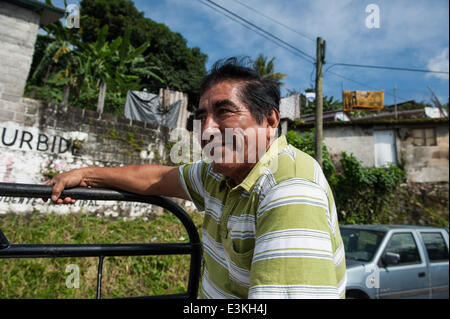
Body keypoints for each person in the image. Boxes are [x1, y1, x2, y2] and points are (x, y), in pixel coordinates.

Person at [47, 57, 346, 299]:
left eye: (224, 112)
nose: (207, 130)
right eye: (202, 117)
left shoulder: (288, 188)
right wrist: (86, 175)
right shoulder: (219, 174)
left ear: (269, 121)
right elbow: (155, 178)